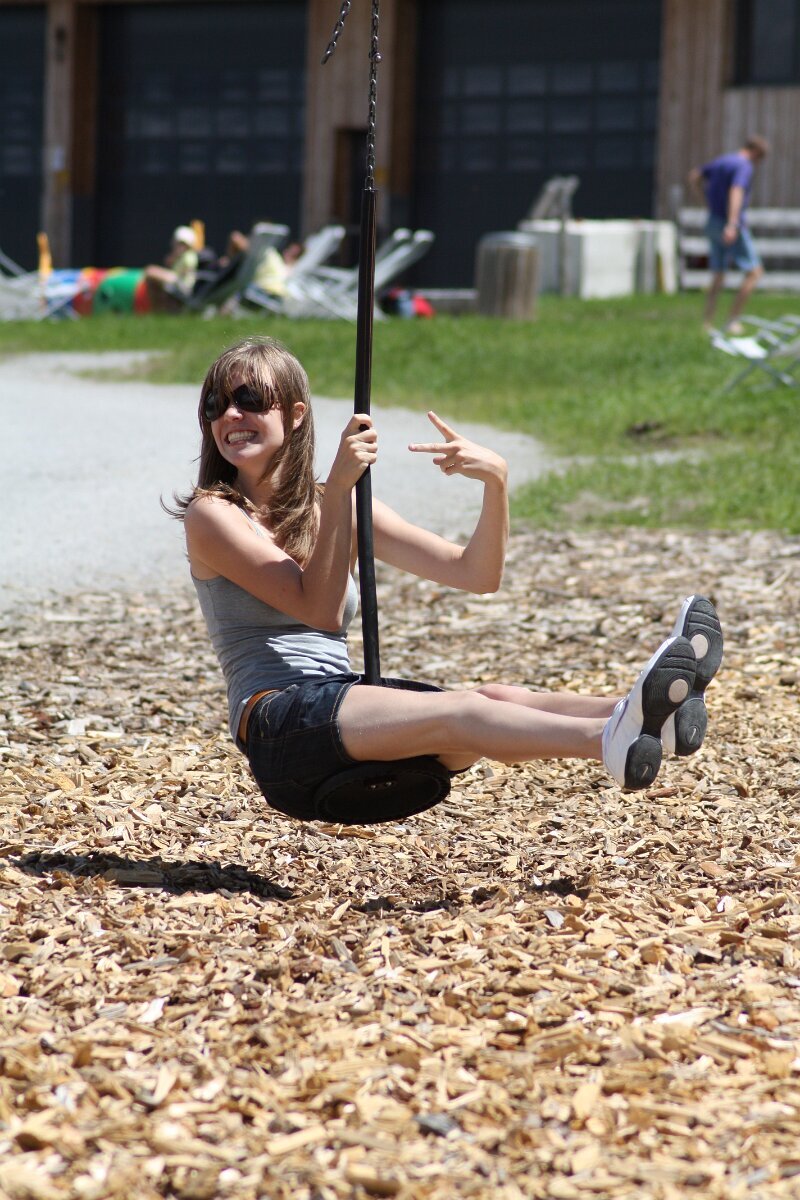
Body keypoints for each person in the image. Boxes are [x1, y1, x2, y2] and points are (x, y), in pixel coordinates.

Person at [171, 336, 723, 825]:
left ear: (295, 415)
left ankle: (656, 719)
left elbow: (475, 574)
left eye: (249, 398)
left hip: (340, 707)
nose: (230, 415)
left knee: (493, 698)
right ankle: (610, 740)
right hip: (280, 726)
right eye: (215, 405)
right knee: (465, 711)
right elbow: (319, 609)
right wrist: (338, 490)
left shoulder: (334, 505)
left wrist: (495, 483)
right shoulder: (214, 515)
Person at [688, 135, 770, 334]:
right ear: (756, 153)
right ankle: (732, 321)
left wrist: (705, 202)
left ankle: (707, 323)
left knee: (718, 274)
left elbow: (694, 176)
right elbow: (736, 190)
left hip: (713, 221)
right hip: (729, 224)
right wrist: (733, 223)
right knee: (754, 272)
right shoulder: (744, 165)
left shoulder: (723, 161)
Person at [144, 225, 199, 311]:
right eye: (178, 243)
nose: (179, 246)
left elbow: (181, 275)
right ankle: (158, 309)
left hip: (182, 285)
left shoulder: (189, 256)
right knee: (151, 279)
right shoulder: (180, 257)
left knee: (150, 271)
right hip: (177, 282)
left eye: (183, 244)